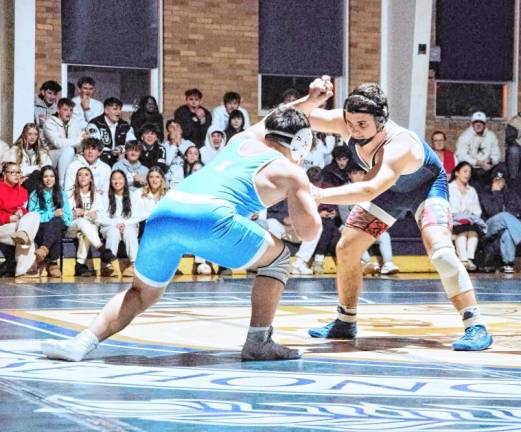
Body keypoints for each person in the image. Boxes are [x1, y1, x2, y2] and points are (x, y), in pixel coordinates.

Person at [41, 105, 321, 362]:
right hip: (209, 218)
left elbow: (271, 121)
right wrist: (308, 197)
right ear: (302, 143)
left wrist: (312, 99)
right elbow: (309, 233)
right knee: (279, 257)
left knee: (141, 293)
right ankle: (258, 341)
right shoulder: (291, 171)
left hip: (165, 212)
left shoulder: (240, 141)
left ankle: (82, 342)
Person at [293, 76, 493, 350]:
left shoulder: (400, 145)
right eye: (351, 123)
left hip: (425, 187)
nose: (355, 130)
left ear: (382, 120)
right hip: (389, 191)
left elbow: (368, 189)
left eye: (363, 124)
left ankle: (476, 325)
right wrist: (311, 100)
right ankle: (345, 321)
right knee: (347, 248)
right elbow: (294, 117)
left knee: (441, 250)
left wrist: (318, 195)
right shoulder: (347, 123)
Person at [478, 169, 521, 274]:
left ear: (505, 181)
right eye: (496, 180)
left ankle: (508, 264)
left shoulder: (511, 194)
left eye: (501, 180)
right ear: (492, 181)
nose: (499, 183)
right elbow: (493, 212)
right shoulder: (485, 194)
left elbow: (518, 212)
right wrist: (496, 193)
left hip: (506, 226)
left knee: (508, 233)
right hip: (488, 227)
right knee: (504, 216)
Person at [27, 166, 72, 277]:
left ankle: (44, 250)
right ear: (41, 179)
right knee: (52, 227)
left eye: (51, 176)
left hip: (59, 224)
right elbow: (33, 216)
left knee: (56, 222)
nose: (49, 179)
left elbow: (68, 217)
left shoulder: (61, 194)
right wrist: (51, 215)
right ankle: (52, 263)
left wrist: (60, 217)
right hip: (41, 226)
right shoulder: (35, 194)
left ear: (55, 178)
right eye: (45, 176)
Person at [96, 170, 141, 277]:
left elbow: (136, 216)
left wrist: (124, 223)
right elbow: (101, 217)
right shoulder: (105, 196)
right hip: (109, 225)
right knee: (113, 232)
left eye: (120, 178)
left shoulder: (133, 195)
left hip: (129, 225)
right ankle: (109, 265)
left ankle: (135, 265)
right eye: (114, 179)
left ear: (125, 180)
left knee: (129, 231)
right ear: (110, 181)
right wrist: (116, 223)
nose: (117, 181)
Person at [0, 162, 41, 277]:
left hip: (16, 228)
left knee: (34, 215)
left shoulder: (23, 191)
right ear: (4, 174)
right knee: (29, 237)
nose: (16, 175)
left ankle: (22, 235)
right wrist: (8, 218)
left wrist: (21, 212)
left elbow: (24, 210)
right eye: (12, 172)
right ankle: (23, 270)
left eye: (18, 172)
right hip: (2, 226)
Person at [67, 167, 104, 277]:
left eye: (86, 174)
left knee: (86, 231)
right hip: (72, 228)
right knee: (82, 222)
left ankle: (79, 265)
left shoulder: (97, 196)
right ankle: (101, 248)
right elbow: (65, 217)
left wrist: (94, 215)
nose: (83, 177)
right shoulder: (70, 194)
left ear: (91, 179)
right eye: (80, 175)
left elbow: (102, 217)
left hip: (90, 230)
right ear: (76, 178)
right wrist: (73, 214)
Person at [448, 162, 484, 272]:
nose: (467, 174)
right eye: (465, 171)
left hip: (469, 221)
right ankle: (463, 260)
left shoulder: (471, 191)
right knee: (462, 231)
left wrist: (469, 216)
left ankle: (469, 259)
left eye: (469, 172)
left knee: (472, 231)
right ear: (457, 173)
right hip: (453, 221)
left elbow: (477, 211)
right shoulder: (449, 188)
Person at [42, 98, 84, 183]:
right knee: (68, 150)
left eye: (71, 110)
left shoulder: (74, 123)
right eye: (65, 110)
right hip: (50, 155)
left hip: (71, 154)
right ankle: (62, 183)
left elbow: (80, 145)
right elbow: (58, 143)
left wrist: (81, 141)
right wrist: (79, 140)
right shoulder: (49, 123)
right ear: (58, 110)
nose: (68, 113)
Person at [455, 112, 501, 188]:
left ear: (485, 124)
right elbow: (461, 155)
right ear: (472, 124)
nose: (478, 124)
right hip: (472, 168)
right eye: (476, 122)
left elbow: (497, 155)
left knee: (501, 169)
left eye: (481, 122)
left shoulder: (491, 136)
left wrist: (491, 161)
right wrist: (478, 162)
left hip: (487, 167)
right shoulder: (465, 136)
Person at [3, 123, 52, 192]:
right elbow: (11, 170)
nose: (33, 137)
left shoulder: (42, 152)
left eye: (35, 134)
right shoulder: (14, 150)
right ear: (24, 135)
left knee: (36, 175)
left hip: (38, 182)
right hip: (19, 183)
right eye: (30, 134)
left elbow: (47, 169)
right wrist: (35, 168)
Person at [89, 97, 136, 167]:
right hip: (102, 159)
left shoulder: (125, 125)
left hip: (121, 157)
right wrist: (111, 152)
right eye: (115, 109)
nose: (118, 112)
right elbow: (94, 144)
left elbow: (133, 143)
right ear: (106, 110)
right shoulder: (95, 124)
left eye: (120, 109)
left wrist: (121, 149)